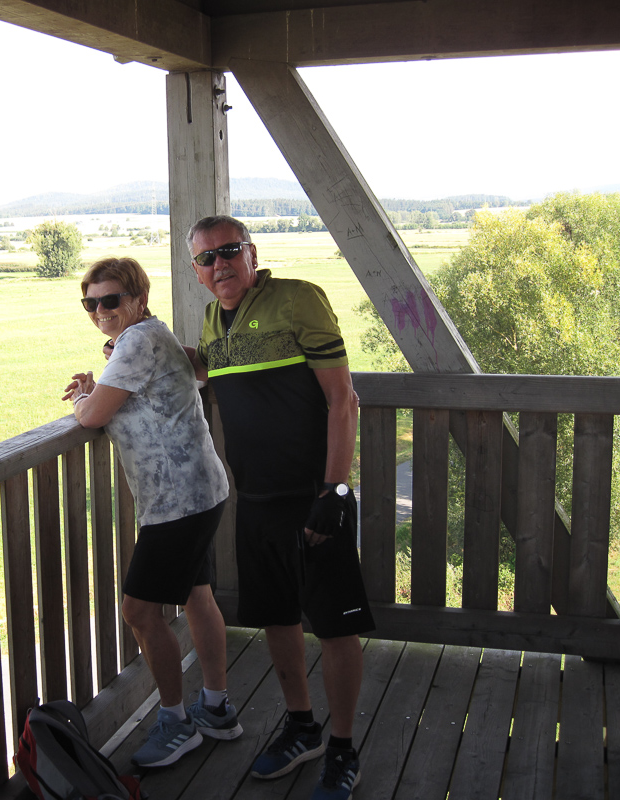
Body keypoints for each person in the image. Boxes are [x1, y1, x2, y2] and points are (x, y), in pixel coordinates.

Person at [186, 215, 374, 800]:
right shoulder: (212, 318)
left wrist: (334, 491)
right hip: (256, 499)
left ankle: (342, 748)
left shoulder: (298, 299)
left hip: (313, 498)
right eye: (207, 258)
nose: (220, 264)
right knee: (277, 618)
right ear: (196, 270)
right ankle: (302, 727)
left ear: (252, 252)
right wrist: (126, 358)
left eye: (229, 251)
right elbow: (208, 369)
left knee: (336, 627)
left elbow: (343, 400)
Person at [62, 256, 241, 768]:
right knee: (197, 595)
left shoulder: (138, 340)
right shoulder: (148, 335)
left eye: (111, 299)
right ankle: (216, 708)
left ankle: (176, 722)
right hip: (202, 490)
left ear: (139, 298)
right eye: (90, 302)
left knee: (139, 611)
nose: (100, 310)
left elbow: (93, 415)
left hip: (176, 501)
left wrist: (83, 397)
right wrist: (102, 382)